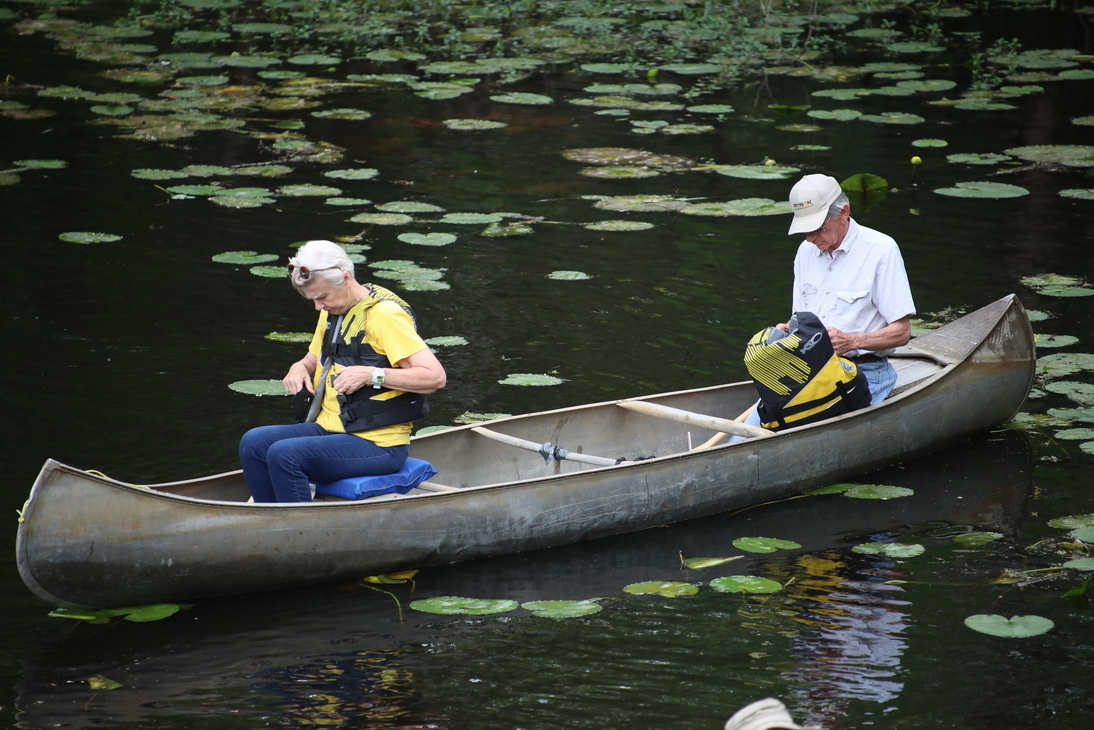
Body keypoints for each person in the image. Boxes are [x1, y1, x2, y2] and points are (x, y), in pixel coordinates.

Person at [239, 240, 446, 502]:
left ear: (345, 278)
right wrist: (299, 366)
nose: (317, 306)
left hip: (379, 444)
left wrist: (372, 374)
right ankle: (268, 520)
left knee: (285, 453)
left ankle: (299, 533)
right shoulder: (333, 310)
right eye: (312, 299)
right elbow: (314, 357)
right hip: (330, 429)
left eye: (322, 297)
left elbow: (434, 377)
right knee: (254, 442)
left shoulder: (385, 316)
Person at [779, 173, 915, 405]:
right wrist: (789, 331)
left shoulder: (881, 249)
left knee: (801, 423)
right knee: (761, 420)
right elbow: (802, 323)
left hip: (865, 373)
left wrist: (852, 341)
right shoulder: (805, 251)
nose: (810, 238)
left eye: (818, 228)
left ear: (844, 212)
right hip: (812, 373)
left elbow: (902, 333)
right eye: (805, 229)